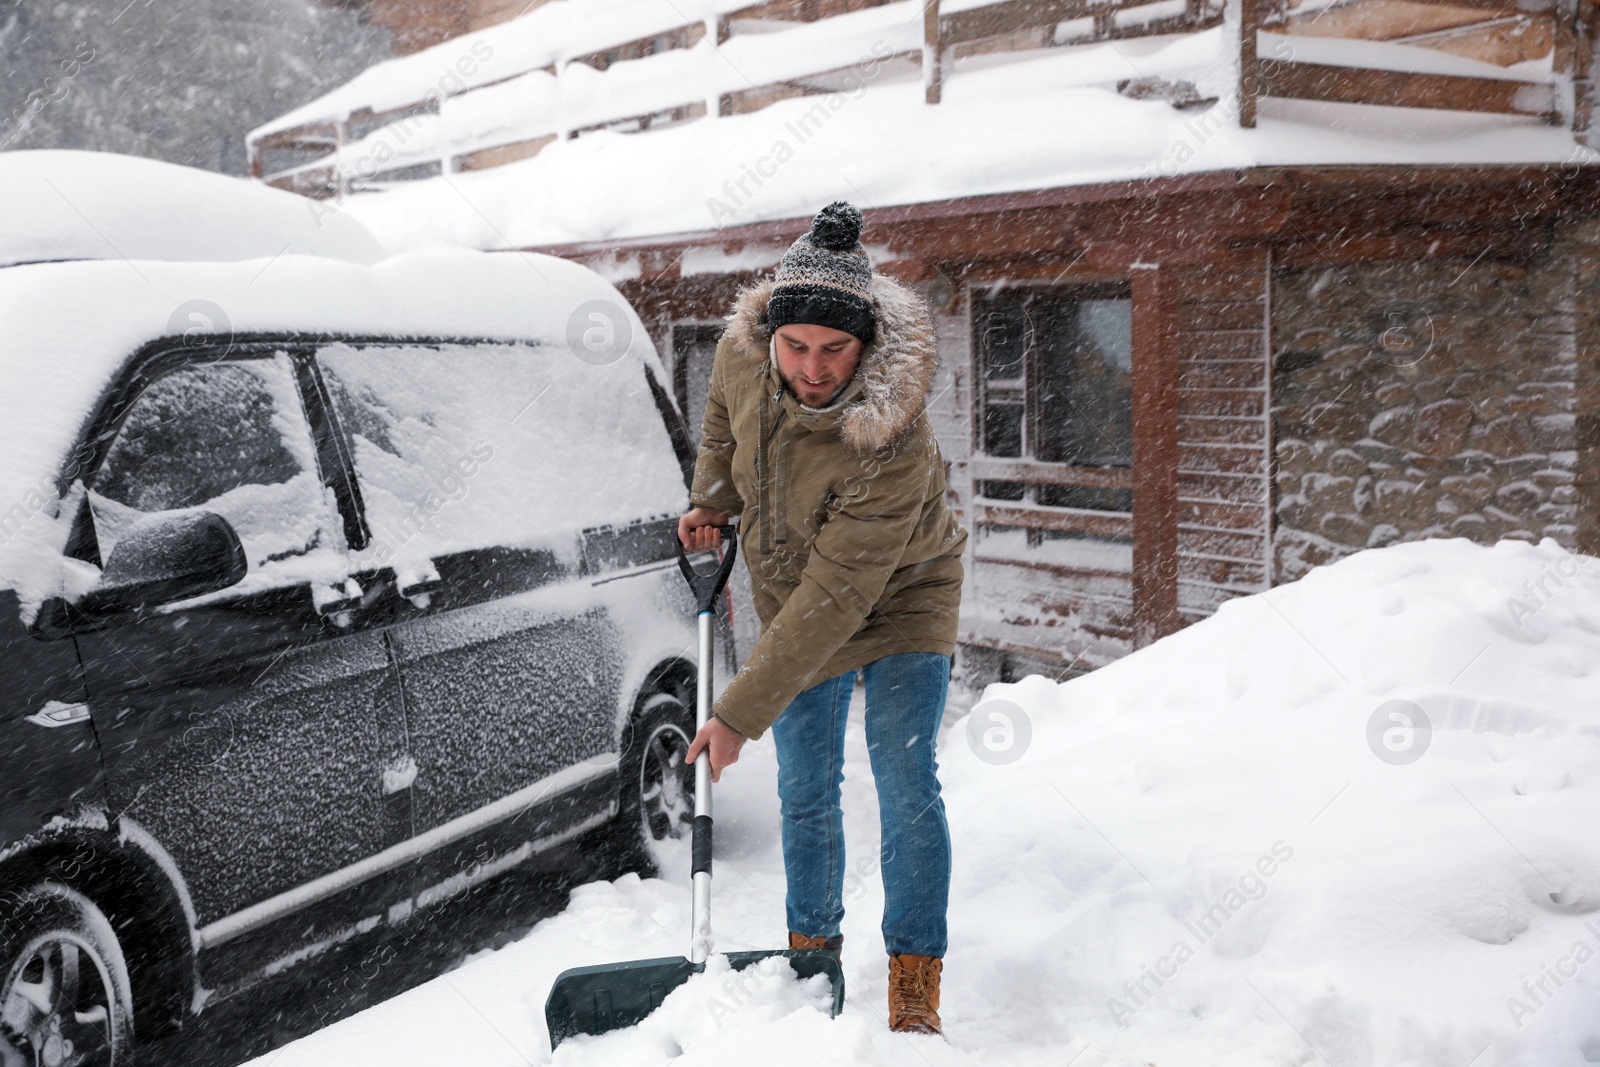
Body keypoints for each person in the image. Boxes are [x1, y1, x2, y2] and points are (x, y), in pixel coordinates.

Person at [678, 201, 967, 1035]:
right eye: (795, 345)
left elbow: (837, 599)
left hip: (903, 594)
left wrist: (737, 712)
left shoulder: (892, 440)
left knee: (905, 781)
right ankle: (814, 955)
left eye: (834, 349)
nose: (812, 367)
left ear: (866, 344)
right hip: (791, 583)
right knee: (806, 788)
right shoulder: (743, 356)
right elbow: (723, 427)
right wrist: (713, 497)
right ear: (771, 332)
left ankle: (915, 972)